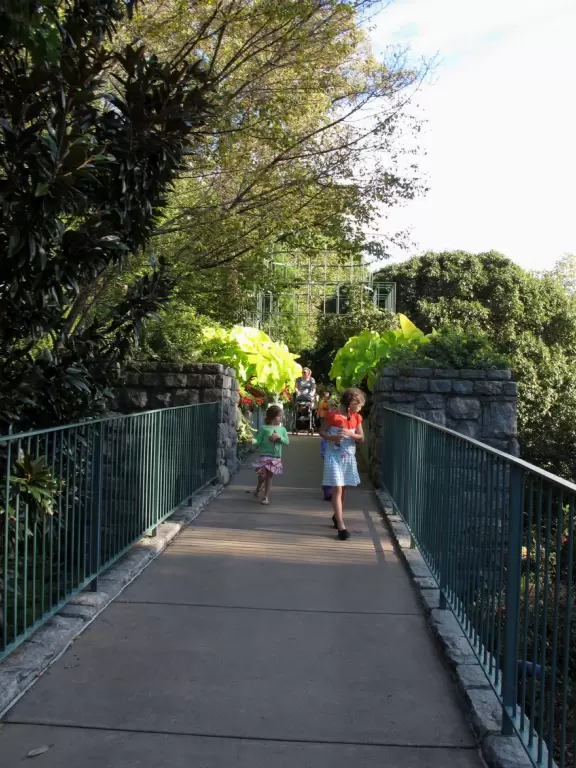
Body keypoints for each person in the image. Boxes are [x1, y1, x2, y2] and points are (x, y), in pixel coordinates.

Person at [319, 388, 365, 540]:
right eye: (359, 404)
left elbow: (361, 438)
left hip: (348, 457)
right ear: (351, 403)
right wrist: (332, 438)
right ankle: (341, 524)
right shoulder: (332, 416)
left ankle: (336, 515)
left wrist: (351, 434)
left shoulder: (357, 418)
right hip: (334, 456)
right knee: (337, 488)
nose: (361, 408)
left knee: (344, 488)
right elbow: (322, 431)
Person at [252, 405, 289, 505]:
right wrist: (252, 441)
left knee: (269, 476)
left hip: (275, 457)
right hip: (264, 455)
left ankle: (266, 497)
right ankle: (259, 487)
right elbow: (258, 440)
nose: (281, 418)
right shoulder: (264, 428)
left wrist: (279, 437)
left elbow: (287, 442)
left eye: (282, 416)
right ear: (272, 416)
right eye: (279, 416)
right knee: (262, 475)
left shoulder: (283, 430)